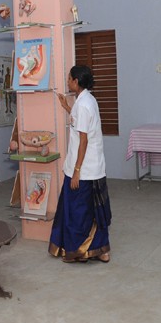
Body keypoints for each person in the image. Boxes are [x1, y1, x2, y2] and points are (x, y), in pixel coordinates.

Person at [49, 65, 112, 263]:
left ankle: (81, 251)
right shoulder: (85, 100)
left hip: (84, 169)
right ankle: (101, 250)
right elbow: (80, 123)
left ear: (76, 81)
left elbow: (83, 140)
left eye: (69, 79)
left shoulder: (84, 104)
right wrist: (67, 107)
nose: (67, 82)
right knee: (92, 210)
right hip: (89, 167)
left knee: (79, 212)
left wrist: (76, 172)